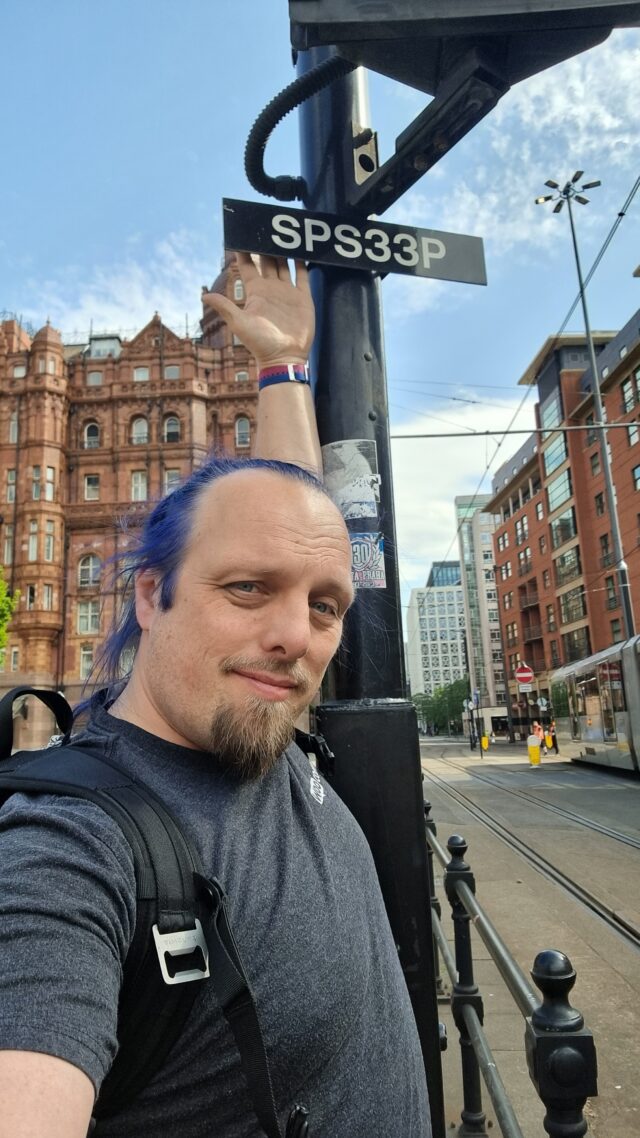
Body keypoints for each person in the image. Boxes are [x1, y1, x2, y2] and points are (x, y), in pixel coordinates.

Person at [0, 253, 431, 1138]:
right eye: (244, 591)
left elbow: (287, 522)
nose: (293, 635)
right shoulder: (68, 843)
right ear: (149, 594)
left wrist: (280, 367)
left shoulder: (264, 724)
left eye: (324, 607)